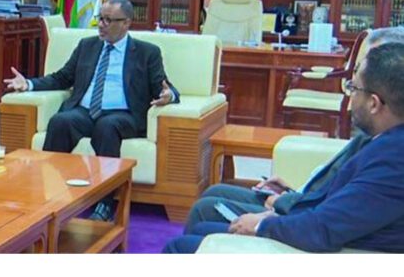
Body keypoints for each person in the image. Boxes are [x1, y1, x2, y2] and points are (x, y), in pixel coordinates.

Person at [164, 42, 404, 253]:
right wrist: (292, 196)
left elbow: (323, 229)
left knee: (180, 246)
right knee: (204, 222)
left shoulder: (393, 162)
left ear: (374, 104)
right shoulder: (383, 140)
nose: (350, 96)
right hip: (318, 224)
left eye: (354, 88)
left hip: (324, 249)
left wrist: (261, 225)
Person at [3, 0, 179, 221]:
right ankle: (46, 194)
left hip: (123, 115)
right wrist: (29, 84)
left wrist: (169, 95)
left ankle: (105, 203)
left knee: (107, 126)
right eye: (100, 18)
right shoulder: (87, 46)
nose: (101, 25)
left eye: (108, 20)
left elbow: (163, 87)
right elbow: (62, 78)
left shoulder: (147, 52)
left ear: (126, 23)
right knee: (61, 121)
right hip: (85, 111)